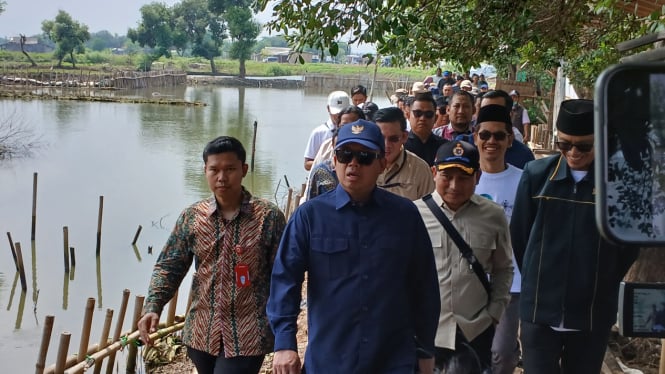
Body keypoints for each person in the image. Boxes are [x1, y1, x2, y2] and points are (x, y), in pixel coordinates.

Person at [268, 120, 441, 373]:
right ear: (335, 159)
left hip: (392, 360)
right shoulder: (309, 216)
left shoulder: (406, 216)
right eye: (345, 154)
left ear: (382, 163)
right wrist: (284, 343)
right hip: (330, 360)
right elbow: (285, 281)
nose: (353, 163)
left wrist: (425, 350)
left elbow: (424, 287)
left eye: (365, 157)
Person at [138, 136, 286, 374]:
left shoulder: (267, 217)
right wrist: (153, 306)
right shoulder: (193, 217)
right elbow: (169, 265)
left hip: (248, 334)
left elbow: (284, 276)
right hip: (201, 333)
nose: (221, 177)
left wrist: (285, 333)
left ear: (244, 170)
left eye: (230, 169)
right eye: (214, 170)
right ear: (205, 170)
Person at [511, 99, 639, 374]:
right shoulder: (536, 175)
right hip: (539, 310)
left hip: (592, 310)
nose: (573, 152)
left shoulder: (617, 184)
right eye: (564, 144)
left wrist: (602, 278)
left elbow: (629, 247)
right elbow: (520, 235)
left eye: (583, 146)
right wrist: (539, 276)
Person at [414, 140, 513, 372]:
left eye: (464, 177)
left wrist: (494, 314)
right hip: (427, 332)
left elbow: (503, 269)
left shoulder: (494, 215)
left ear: (477, 177)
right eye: (447, 176)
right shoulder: (413, 214)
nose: (454, 185)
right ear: (433, 173)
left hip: (474, 330)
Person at [472, 105, 524, 374]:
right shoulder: (463, 178)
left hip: (510, 284)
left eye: (499, 136)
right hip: (468, 282)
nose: (491, 141)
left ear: (509, 139)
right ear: (475, 137)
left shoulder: (524, 181)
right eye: (485, 135)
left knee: (501, 355)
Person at [375, 107, 435, 200]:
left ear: (404, 137)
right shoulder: (363, 164)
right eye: (381, 138)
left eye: (393, 139)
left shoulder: (420, 169)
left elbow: (429, 209)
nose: (386, 145)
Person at [481, 90, 535, 169]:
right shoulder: (466, 148)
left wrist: (526, 135)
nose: (490, 115)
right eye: (485, 111)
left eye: (496, 111)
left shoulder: (523, 155)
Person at [303, 90, 350, 171]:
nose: (338, 116)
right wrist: (328, 163)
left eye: (342, 112)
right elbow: (307, 164)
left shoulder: (352, 132)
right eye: (336, 112)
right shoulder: (318, 133)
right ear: (328, 109)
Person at [405, 93, 447, 165]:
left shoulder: (444, 147)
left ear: (435, 118)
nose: (422, 118)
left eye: (428, 114)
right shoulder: (400, 146)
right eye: (417, 113)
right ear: (408, 116)